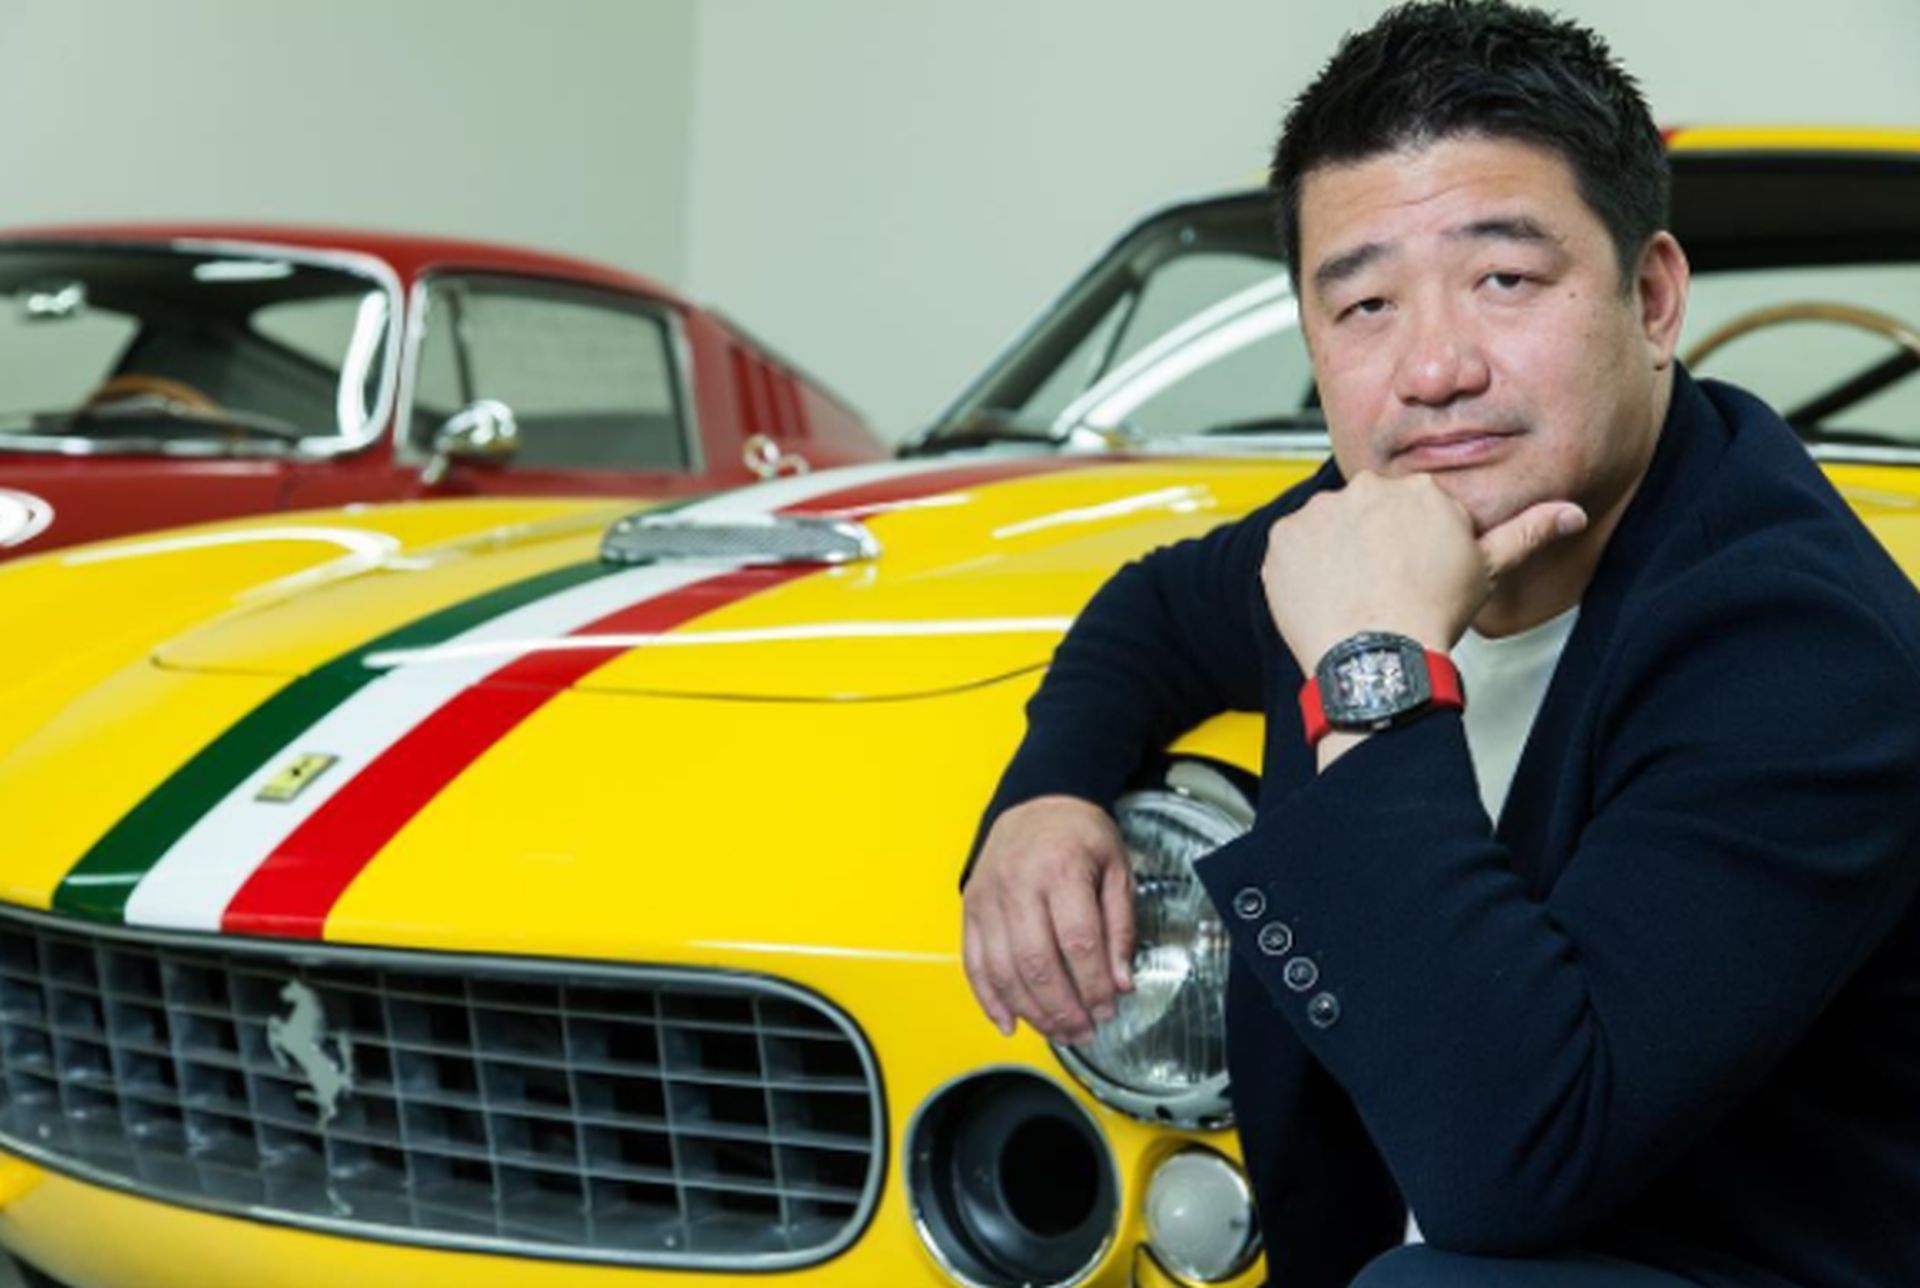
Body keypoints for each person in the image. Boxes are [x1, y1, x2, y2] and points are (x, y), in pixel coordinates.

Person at [959, 3, 1920, 1285]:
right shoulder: (1364, 527)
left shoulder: (1804, 646)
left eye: (1503, 280)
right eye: (1364, 304)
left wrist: (1372, 664)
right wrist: (1045, 792)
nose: (1433, 370)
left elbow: (1510, 1160)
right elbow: (1156, 610)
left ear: (1651, 299)